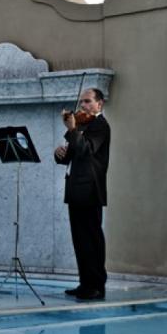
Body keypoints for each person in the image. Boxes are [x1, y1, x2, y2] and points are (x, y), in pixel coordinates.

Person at [54, 88, 110, 301]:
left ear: (99, 104)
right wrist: (59, 153)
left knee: (92, 238)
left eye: (87, 102)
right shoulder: (82, 127)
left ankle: (96, 285)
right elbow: (71, 155)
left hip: (90, 189)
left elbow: (86, 149)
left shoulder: (100, 126)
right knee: (80, 240)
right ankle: (85, 283)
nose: (83, 106)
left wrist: (71, 129)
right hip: (76, 190)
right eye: (82, 102)